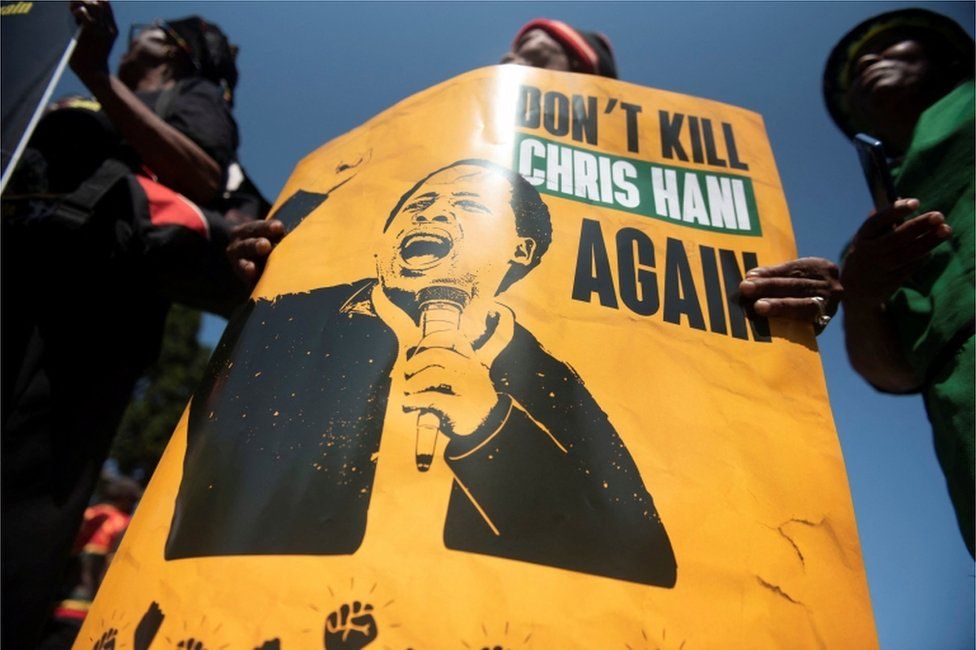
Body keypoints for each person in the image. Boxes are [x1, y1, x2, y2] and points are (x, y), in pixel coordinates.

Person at [167, 160, 678, 589]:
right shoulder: (284, 321)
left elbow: (644, 559)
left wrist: (492, 430)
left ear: (521, 249)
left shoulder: (555, 382)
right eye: (418, 205)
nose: (431, 213)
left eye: (468, 204)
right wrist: (253, 283)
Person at [1, 2, 258, 645]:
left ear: (178, 53)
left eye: (154, 31)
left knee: (25, 486)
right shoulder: (56, 96)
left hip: (87, 296)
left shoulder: (191, 98)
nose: (136, 34)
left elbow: (203, 176)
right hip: (18, 263)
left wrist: (96, 75)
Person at [822, 8, 974, 555]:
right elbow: (892, 373)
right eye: (858, 66)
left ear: (949, 62)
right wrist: (862, 299)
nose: (869, 59)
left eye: (893, 44)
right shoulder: (872, 242)